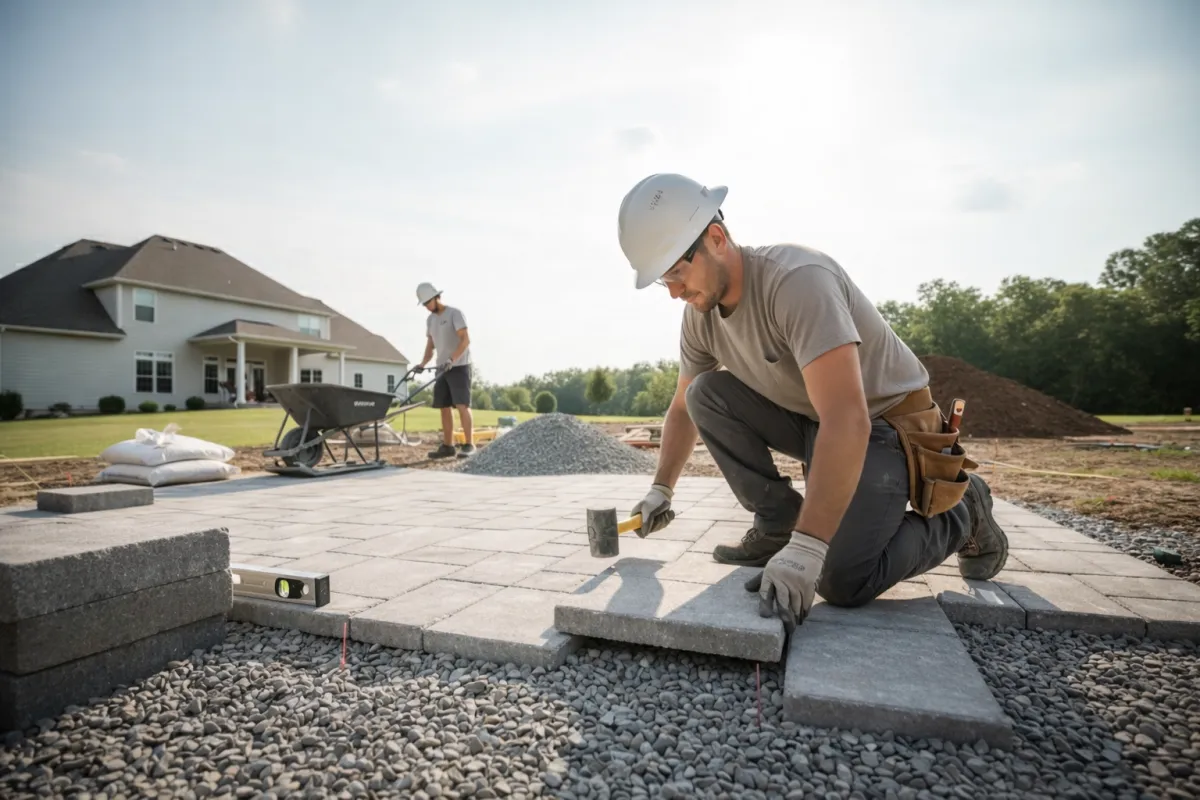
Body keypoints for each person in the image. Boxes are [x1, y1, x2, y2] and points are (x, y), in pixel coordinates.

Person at [616, 173, 1009, 635]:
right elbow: (684, 408)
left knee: (841, 579)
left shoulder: (797, 282)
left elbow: (848, 419)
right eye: (663, 281)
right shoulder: (700, 317)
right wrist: (661, 490)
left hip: (888, 428)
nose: (674, 292)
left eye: (676, 273)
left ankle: (965, 511)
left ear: (716, 239)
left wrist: (809, 548)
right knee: (704, 393)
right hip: (820, 422)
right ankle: (778, 525)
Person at [415, 282, 474, 459]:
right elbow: (430, 345)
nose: (427, 307)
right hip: (442, 368)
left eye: (428, 302)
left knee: (462, 405)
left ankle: (469, 444)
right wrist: (422, 364)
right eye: (424, 304)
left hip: (459, 366)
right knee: (443, 406)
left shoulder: (455, 313)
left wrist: (452, 359)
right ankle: (448, 446)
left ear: (436, 297)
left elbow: (465, 340)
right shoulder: (430, 320)